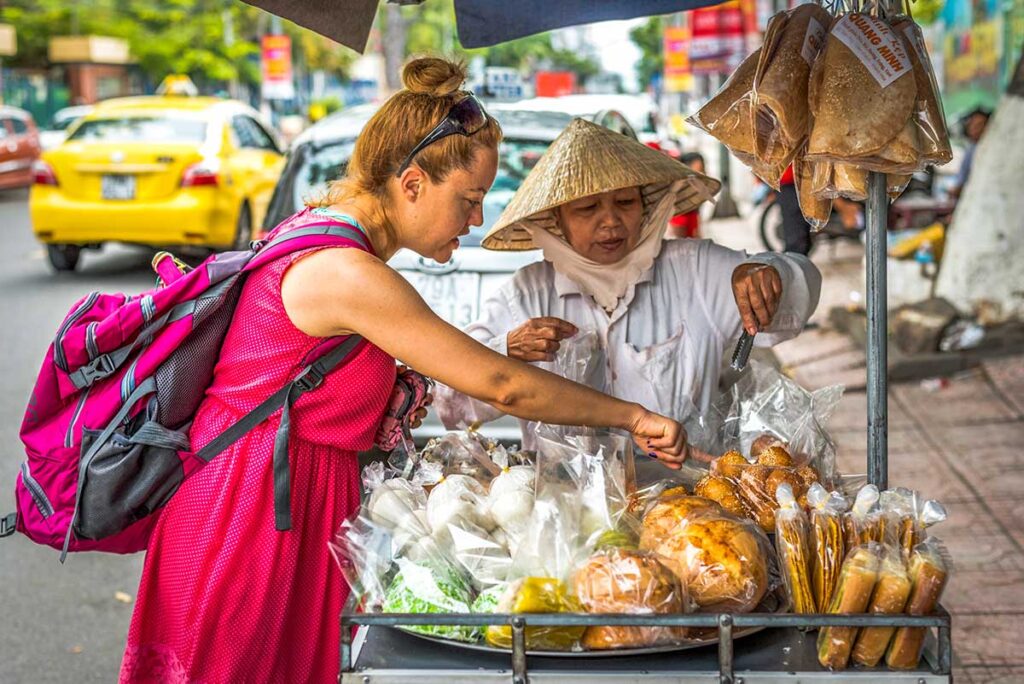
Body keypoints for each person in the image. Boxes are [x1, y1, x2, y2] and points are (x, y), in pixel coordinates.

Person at [119, 58, 685, 684]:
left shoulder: (327, 241)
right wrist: (632, 415)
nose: (476, 221)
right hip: (248, 521)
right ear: (412, 183)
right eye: (469, 201)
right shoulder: (346, 273)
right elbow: (502, 385)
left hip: (287, 508)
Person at [434, 119, 822, 451]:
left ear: (646, 207)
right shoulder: (525, 295)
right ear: (557, 221)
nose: (611, 223)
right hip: (568, 516)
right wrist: (506, 352)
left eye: (625, 203)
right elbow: (451, 406)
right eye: (587, 209)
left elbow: (800, 292)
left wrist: (769, 274)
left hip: (690, 513)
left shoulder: (696, 270)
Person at [949, 106, 991, 199]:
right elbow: (960, 181)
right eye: (971, 125)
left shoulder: (989, 149)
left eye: (979, 125)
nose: (974, 129)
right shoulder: (971, 148)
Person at [667, 151, 706, 239]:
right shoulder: (679, 186)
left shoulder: (699, 185)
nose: (701, 173)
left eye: (702, 169)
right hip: (682, 218)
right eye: (698, 170)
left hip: (692, 217)